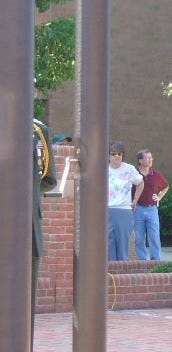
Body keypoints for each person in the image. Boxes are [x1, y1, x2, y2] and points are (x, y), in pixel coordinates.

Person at [32, 119, 57, 350]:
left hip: (27, 230)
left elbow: (48, 179)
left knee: (23, 307)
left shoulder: (36, 130)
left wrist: (25, 192)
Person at [108, 141, 144, 261]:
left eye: (120, 153)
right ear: (108, 155)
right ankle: (110, 274)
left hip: (124, 210)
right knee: (109, 245)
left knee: (123, 245)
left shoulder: (129, 169)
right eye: (113, 154)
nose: (117, 156)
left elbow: (140, 183)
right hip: (107, 210)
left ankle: (122, 275)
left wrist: (135, 200)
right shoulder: (102, 169)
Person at [132, 149, 169, 260]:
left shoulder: (156, 174)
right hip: (137, 209)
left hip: (152, 209)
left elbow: (166, 186)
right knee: (139, 237)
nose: (150, 160)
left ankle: (156, 260)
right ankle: (142, 261)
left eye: (151, 157)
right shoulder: (134, 173)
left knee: (154, 236)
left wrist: (159, 197)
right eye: (147, 158)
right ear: (140, 160)